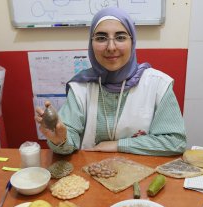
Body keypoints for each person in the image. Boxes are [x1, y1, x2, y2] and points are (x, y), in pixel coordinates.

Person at [35, 7, 186, 156]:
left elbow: (175, 141)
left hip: (141, 173)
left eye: (120, 37)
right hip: (90, 173)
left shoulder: (158, 85)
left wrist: (118, 145)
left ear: (132, 42)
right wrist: (60, 140)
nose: (111, 47)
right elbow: (68, 138)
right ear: (91, 43)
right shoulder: (81, 86)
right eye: (101, 38)